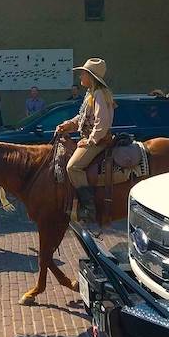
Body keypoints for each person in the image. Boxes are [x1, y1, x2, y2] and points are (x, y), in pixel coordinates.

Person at [55, 58, 115, 223]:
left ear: (91, 76)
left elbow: (101, 123)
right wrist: (68, 125)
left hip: (98, 141)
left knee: (73, 167)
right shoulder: (91, 93)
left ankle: (89, 209)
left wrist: (89, 141)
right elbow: (83, 117)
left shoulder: (99, 94)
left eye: (83, 73)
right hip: (91, 137)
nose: (80, 75)